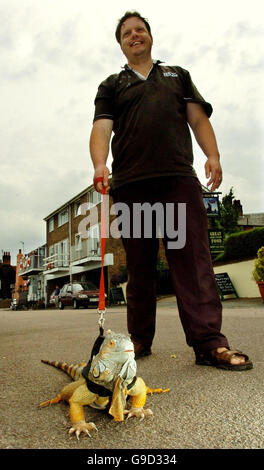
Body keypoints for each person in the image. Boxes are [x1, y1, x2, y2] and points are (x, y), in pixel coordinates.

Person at [89, 11, 252, 370]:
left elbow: (197, 118)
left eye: (140, 30)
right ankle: (139, 342)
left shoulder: (177, 76)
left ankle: (210, 343)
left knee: (192, 261)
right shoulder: (112, 85)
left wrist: (213, 155)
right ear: (121, 43)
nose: (135, 36)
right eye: (127, 33)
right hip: (132, 185)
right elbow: (102, 127)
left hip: (178, 179)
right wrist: (100, 164)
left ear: (149, 36)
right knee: (141, 266)